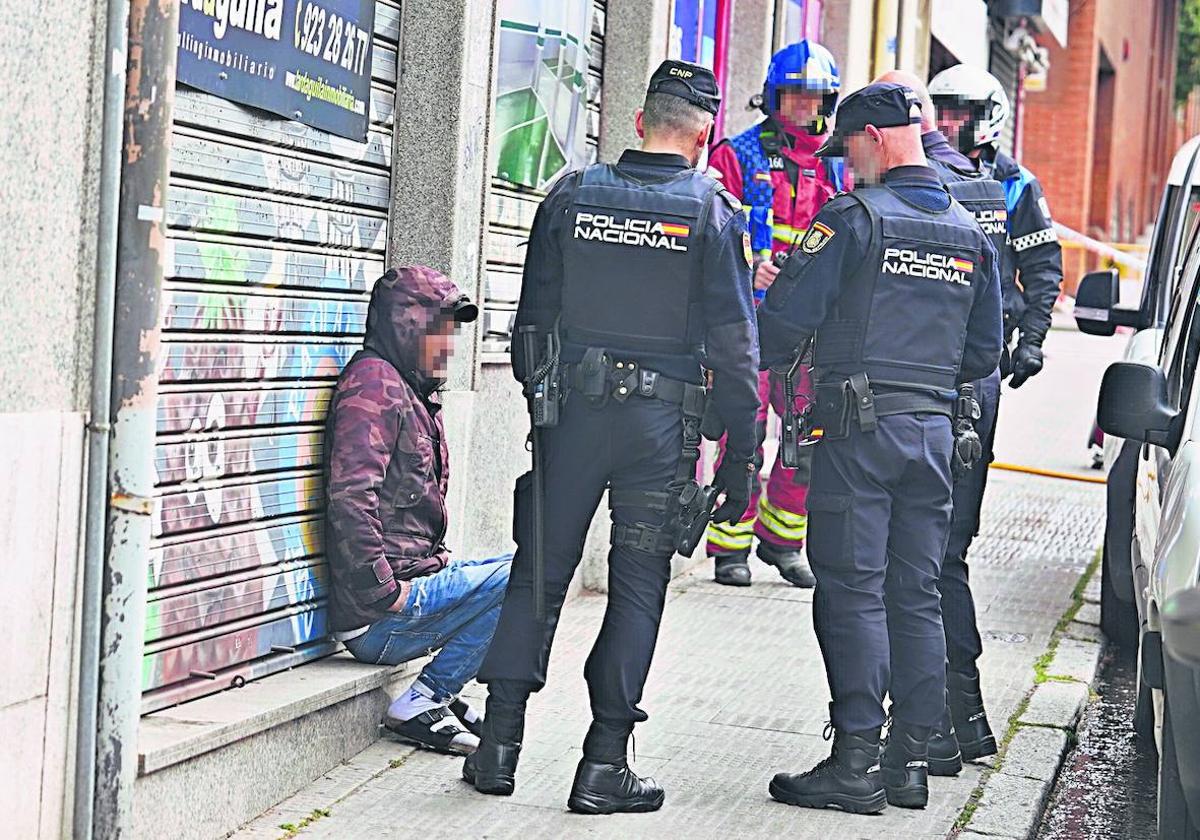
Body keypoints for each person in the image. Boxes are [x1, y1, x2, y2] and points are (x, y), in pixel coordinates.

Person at [464, 60, 760, 815]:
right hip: (659, 431)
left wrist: (546, 409)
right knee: (636, 589)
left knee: (539, 573)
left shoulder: (572, 194)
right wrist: (742, 454)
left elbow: (531, 321)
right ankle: (603, 767)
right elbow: (735, 351)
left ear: (638, 123)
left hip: (573, 418)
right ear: (704, 137)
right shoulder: (713, 214)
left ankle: (497, 750)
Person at [757, 82, 1003, 813]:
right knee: (917, 593)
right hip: (934, 435)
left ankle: (855, 762)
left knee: (854, 590)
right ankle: (910, 766)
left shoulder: (854, 219)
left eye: (851, 148)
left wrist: (774, 291)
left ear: (876, 137)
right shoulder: (968, 231)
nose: (847, 164)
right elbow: (983, 353)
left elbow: (782, 328)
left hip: (859, 431)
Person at [925, 63, 1063, 768]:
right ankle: (951, 719)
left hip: (975, 381)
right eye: (939, 111)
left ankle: (953, 716)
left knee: (945, 549)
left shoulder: (1015, 185)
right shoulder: (916, 176)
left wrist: (1031, 339)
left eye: (958, 113)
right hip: (922, 377)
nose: (946, 125)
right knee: (930, 554)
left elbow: (1044, 270)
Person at [324, 265, 512, 756]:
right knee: (527, 576)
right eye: (442, 331)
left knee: (535, 571)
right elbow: (350, 497)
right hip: (380, 616)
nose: (450, 345)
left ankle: (441, 694)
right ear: (409, 327)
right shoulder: (375, 387)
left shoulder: (407, 387)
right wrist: (383, 591)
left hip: (410, 587)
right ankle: (427, 698)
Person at [703, 41, 844, 588]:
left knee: (808, 435)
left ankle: (783, 540)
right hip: (750, 324)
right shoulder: (734, 157)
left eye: (814, 98)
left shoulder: (841, 167)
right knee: (745, 431)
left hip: (811, 329)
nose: (803, 107)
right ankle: (729, 545)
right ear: (773, 97)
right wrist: (748, 267)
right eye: (793, 96)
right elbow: (709, 239)